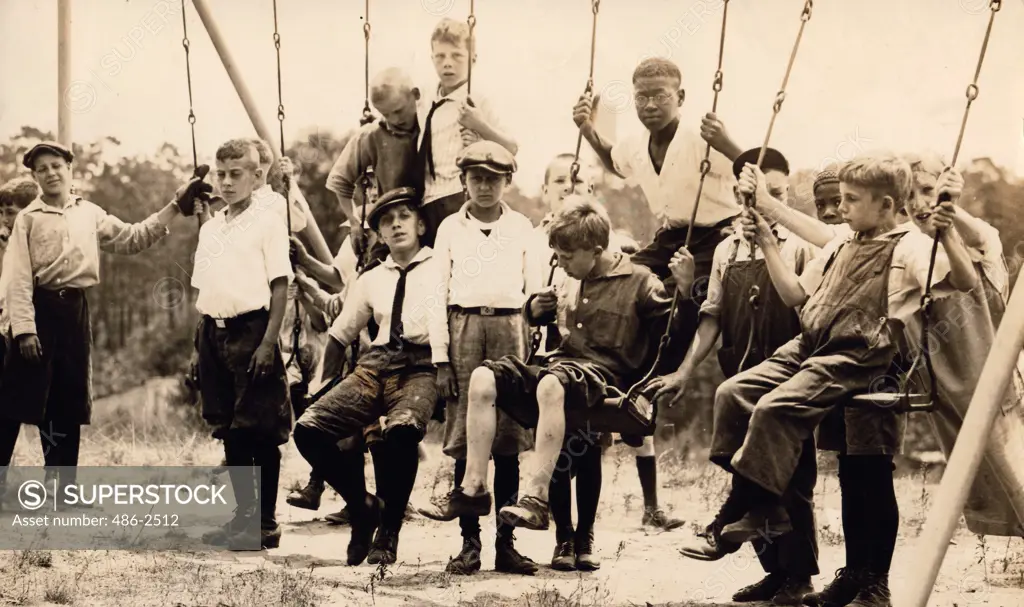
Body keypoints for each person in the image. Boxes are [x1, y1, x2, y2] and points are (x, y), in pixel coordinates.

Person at [679, 154, 978, 607]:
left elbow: (964, 278)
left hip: (863, 357)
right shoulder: (842, 242)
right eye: (838, 200)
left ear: (886, 205)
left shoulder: (913, 246)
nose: (840, 209)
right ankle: (766, 509)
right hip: (809, 346)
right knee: (733, 394)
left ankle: (746, 523)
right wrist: (769, 244)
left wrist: (947, 232)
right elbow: (797, 295)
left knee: (863, 471)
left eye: (850, 200)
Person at [421, 197, 694, 555]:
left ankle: (535, 498)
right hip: (560, 372)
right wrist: (534, 309)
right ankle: (473, 489)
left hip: (604, 380)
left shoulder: (640, 282)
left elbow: (672, 339)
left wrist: (686, 292)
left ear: (595, 251)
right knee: (484, 377)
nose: (561, 265)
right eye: (558, 257)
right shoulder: (570, 279)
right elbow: (545, 323)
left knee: (553, 384)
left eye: (567, 258)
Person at [651, 148, 820, 604]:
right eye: (753, 197)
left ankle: (799, 577)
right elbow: (712, 317)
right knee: (751, 468)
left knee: (793, 477)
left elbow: (807, 309)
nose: (762, 205)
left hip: (790, 373)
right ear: (736, 197)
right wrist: (686, 372)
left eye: (775, 194)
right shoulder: (726, 249)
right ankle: (774, 572)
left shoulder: (802, 245)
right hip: (741, 371)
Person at [0, 141, 202, 508]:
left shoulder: (89, 213)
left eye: (56, 164)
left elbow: (132, 238)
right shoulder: (28, 219)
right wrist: (25, 329)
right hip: (38, 310)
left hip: (75, 312)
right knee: (14, 400)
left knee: (67, 401)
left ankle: (62, 492)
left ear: (69, 168)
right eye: (41, 168)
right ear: (34, 176)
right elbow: (16, 279)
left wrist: (174, 207)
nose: (50, 173)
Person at [292, 187, 446, 567]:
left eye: (404, 217)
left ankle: (388, 531)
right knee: (309, 429)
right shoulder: (372, 278)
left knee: (402, 432)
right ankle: (362, 506)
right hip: (375, 365)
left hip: (422, 365)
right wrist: (322, 384)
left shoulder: (444, 266)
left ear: (422, 224)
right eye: (385, 221)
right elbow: (341, 333)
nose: (395, 225)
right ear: (378, 233)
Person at [537, 154, 684, 548]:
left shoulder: (613, 254)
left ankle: (584, 536)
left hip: (598, 372)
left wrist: (654, 377)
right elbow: (540, 303)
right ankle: (563, 538)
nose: (572, 191)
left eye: (579, 185)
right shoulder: (548, 249)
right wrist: (535, 309)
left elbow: (661, 326)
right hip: (558, 365)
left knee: (584, 450)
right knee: (557, 446)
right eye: (562, 186)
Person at [572, 57, 741, 372]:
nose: (649, 105)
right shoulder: (635, 145)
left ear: (680, 98)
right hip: (670, 238)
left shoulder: (700, 139)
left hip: (715, 238)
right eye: (641, 97)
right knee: (619, 277)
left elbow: (752, 168)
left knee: (680, 296)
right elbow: (614, 161)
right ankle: (609, 362)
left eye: (660, 96)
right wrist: (588, 131)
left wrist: (726, 143)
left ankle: (660, 373)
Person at [418, 141, 540, 575]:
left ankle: (505, 544)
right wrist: (440, 359)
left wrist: (536, 336)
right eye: (476, 178)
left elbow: (537, 289)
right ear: (464, 181)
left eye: (493, 178)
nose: (484, 186)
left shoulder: (524, 226)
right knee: (465, 441)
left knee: (507, 441)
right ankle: (469, 543)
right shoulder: (450, 228)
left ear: (507, 181)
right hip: (463, 329)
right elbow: (436, 294)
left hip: (511, 329)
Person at [190, 139, 292, 551]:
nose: (228, 182)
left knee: (261, 428)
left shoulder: (268, 221)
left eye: (237, 174)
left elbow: (280, 285)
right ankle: (242, 518)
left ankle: (265, 522)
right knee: (229, 427)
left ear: (256, 175)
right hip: (213, 332)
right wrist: (197, 350)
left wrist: (269, 341)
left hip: (253, 330)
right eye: (222, 174)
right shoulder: (212, 226)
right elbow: (204, 289)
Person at [417, 17, 517, 247]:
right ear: (431, 58)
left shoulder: (478, 99)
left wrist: (480, 125)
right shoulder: (425, 100)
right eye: (440, 56)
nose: (447, 63)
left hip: (458, 196)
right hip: (425, 200)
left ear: (472, 59)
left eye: (457, 56)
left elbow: (512, 147)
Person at [326, 67, 422, 263]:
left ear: (415, 95)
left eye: (398, 111)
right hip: (396, 225)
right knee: (374, 277)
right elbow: (340, 181)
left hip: (432, 218)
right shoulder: (371, 135)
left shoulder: (432, 126)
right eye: (385, 114)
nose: (394, 120)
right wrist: (354, 223)